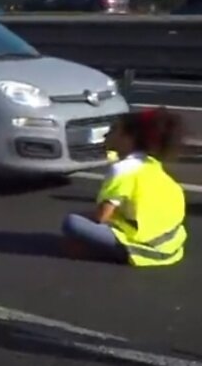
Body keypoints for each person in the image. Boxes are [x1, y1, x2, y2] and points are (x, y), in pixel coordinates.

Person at [61, 108, 188, 266]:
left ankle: (117, 251)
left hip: (147, 248)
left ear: (128, 138)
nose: (106, 135)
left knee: (72, 222)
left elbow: (102, 217)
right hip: (172, 245)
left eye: (113, 130)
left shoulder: (122, 170)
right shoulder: (150, 164)